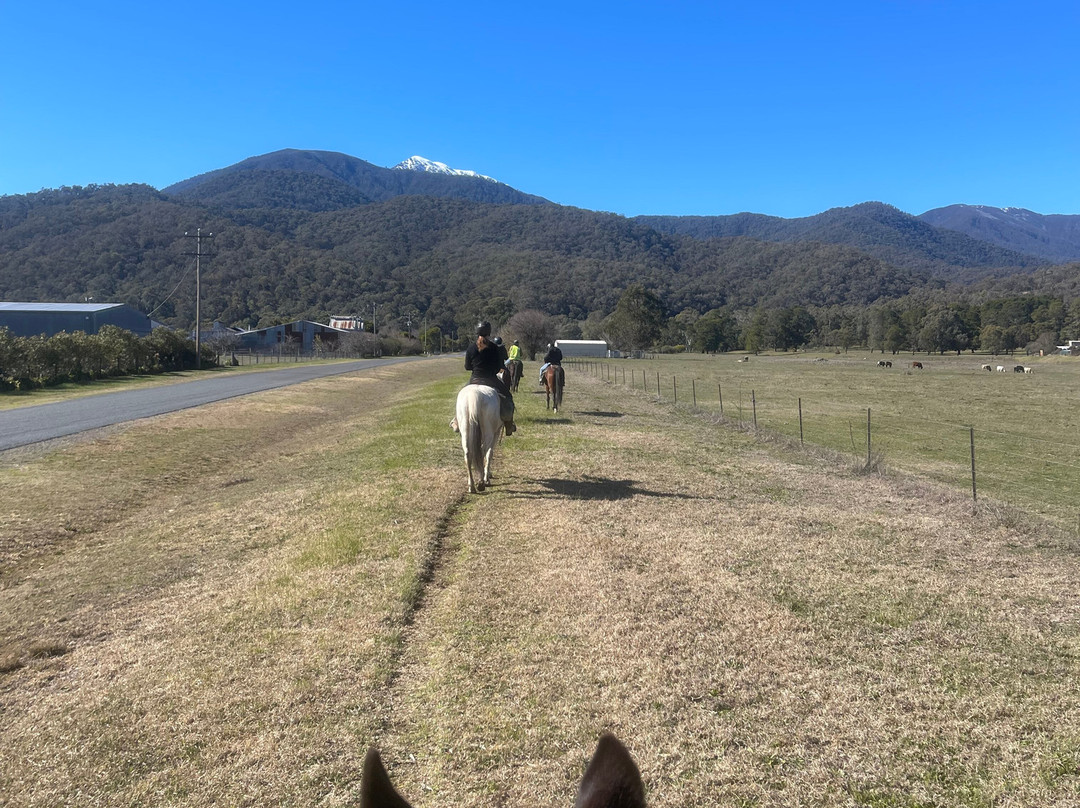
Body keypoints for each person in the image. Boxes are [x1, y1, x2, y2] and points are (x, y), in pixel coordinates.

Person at [462, 321, 516, 436]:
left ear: (477, 332)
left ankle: (457, 420)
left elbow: (467, 367)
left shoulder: (471, 347)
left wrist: (475, 368)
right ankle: (508, 425)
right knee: (508, 397)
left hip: (474, 379)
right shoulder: (494, 347)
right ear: (489, 332)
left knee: (462, 397)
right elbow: (497, 367)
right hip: (490, 379)